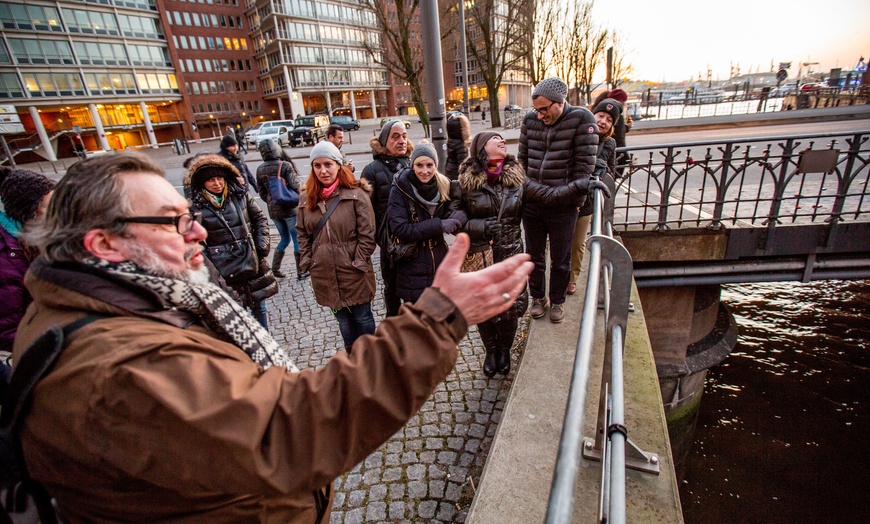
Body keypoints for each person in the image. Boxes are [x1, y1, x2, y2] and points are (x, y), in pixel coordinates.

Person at [13, 151, 533, 522]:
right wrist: (440, 316)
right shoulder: (116, 370)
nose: (197, 232)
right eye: (173, 222)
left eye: (190, 216)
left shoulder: (119, 299)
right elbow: (290, 428)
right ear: (103, 243)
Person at [459, 132, 601, 376]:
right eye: (496, 139)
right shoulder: (465, 181)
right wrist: (479, 227)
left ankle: (504, 351)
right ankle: (491, 351)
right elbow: (456, 219)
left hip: (510, 255)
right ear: (482, 147)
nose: (503, 141)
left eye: (503, 138)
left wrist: (580, 185)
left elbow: (548, 195)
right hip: (481, 257)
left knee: (509, 310)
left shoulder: (518, 179)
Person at [519, 77, 599, 323]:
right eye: (537, 109)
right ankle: (537, 298)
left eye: (544, 109)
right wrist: (534, 191)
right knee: (533, 256)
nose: (540, 115)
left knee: (561, 259)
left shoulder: (583, 119)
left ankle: (557, 301)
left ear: (560, 102)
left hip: (563, 206)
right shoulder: (530, 121)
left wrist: (565, 197)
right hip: (532, 204)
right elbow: (521, 165)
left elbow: (583, 171)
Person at [297, 142, 377, 352]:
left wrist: (358, 262)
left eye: (328, 164)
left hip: (353, 271)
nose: (323, 171)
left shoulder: (356, 194)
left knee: (362, 316)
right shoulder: (307, 198)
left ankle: (372, 357)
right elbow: (302, 233)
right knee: (343, 321)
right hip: (324, 272)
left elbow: (368, 234)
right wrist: (309, 261)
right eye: (317, 165)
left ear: (338, 165)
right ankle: (353, 357)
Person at [188, 154, 277, 329]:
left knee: (259, 308)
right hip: (225, 270)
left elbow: (259, 218)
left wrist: (261, 247)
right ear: (202, 183)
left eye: (220, 178)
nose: (217, 183)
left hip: (251, 264)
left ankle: (265, 343)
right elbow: (194, 240)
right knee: (238, 313)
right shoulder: (196, 207)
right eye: (211, 180)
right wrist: (212, 264)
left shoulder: (239, 195)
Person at [387, 142, 463, 305]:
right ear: (412, 165)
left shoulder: (444, 185)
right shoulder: (400, 188)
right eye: (419, 165)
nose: (425, 170)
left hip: (440, 261)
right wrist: (439, 225)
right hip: (412, 265)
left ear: (435, 165)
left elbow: (458, 210)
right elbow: (401, 229)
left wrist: (459, 217)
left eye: (430, 165)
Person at [0, 168, 54, 365]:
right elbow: (6, 328)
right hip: (41, 352)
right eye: (50, 206)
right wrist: (58, 347)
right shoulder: (6, 257)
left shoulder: (38, 239)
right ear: (30, 210)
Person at [568, 98, 621, 295]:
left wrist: (602, 170)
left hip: (588, 201)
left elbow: (612, 173)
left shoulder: (609, 144)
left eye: (609, 119)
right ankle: (560, 275)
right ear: (593, 114)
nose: (603, 121)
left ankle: (572, 278)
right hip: (570, 195)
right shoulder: (579, 133)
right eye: (600, 116)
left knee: (579, 242)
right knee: (563, 239)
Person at [361, 120, 413, 317]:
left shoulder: (412, 163)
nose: (402, 141)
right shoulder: (372, 170)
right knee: (392, 288)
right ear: (384, 140)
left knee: (414, 287)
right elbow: (367, 214)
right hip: (389, 244)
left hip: (414, 238)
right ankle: (394, 327)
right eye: (395, 136)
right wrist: (382, 240)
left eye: (404, 136)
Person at [256, 138, 306, 280]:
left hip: (274, 211)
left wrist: (272, 202)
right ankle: (301, 271)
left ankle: (276, 268)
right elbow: (296, 186)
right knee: (296, 239)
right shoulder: (285, 165)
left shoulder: (260, 169)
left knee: (284, 238)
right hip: (289, 208)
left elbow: (262, 193)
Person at [607, 88, 631, 177]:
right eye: (624, 101)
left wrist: (625, 128)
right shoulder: (618, 116)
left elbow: (614, 131)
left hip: (608, 154)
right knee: (611, 182)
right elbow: (619, 138)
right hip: (617, 156)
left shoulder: (604, 112)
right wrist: (626, 158)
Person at [445, 113, 470, 181]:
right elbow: (462, 164)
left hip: (449, 171)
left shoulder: (451, 141)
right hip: (456, 174)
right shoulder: (461, 145)